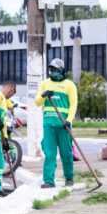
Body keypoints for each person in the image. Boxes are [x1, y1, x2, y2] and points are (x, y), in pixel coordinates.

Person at [34, 58, 78, 189]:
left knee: (66, 153)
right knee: (49, 153)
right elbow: (37, 103)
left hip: (63, 125)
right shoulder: (44, 84)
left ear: (62, 70)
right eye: (51, 69)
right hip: (48, 124)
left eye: (55, 70)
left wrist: (69, 120)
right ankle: (48, 181)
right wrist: (43, 95)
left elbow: (73, 104)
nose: (52, 72)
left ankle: (69, 178)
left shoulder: (69, 85)